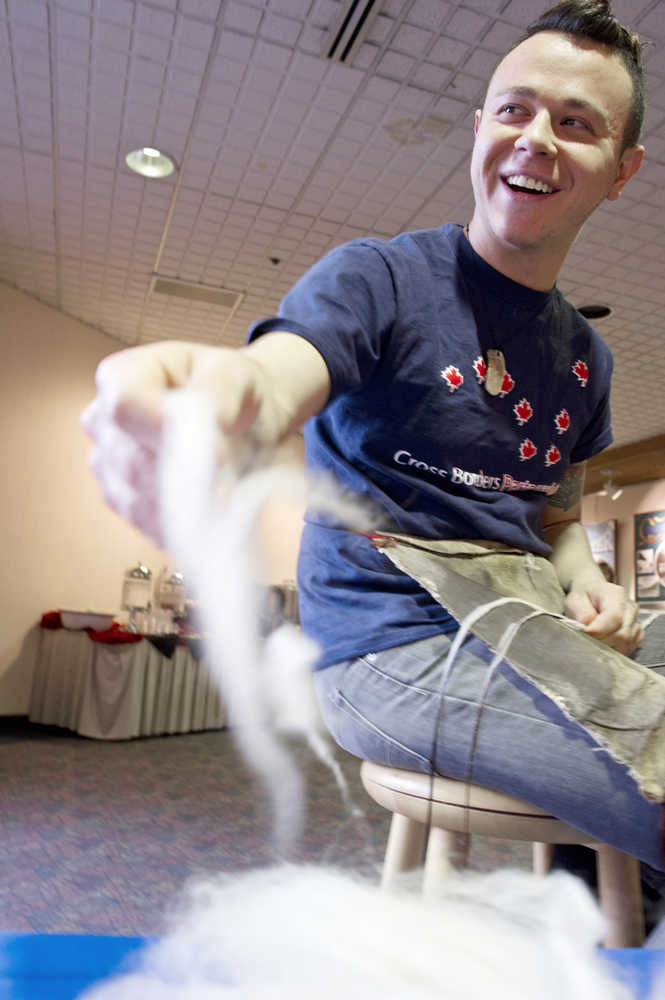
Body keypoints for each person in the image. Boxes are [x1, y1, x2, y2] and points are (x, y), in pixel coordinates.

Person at [83, 0, 665, 879]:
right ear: (479, 129)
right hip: (391, 644)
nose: (535, 138)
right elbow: (281, 373)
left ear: (621, 170)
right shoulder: (380, 279)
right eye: (514, 109)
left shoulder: (585, 359)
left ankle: (605, 918)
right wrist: (233, 394)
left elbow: (555, 519)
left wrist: (593, 585)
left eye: (575, 123)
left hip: (530, 616)